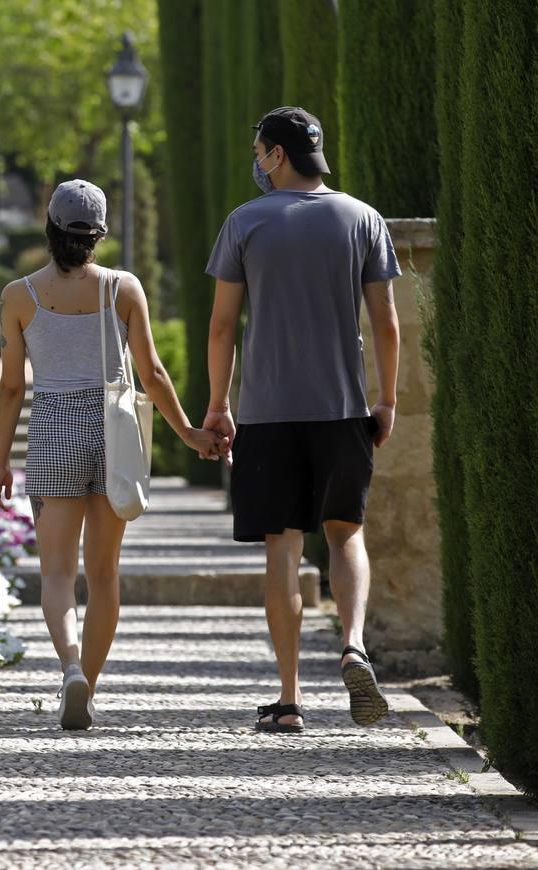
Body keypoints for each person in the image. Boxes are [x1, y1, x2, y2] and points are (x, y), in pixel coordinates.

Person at [0, 179, 224, 730]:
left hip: (53, 432)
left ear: (49, 228)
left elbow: (10, 388)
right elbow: (153, 373)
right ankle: (88, 690)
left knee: (55, 575)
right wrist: (189, 434)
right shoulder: (124, 289)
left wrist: (2, 459)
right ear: (99, 236)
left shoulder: (18, 296)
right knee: (104, 574)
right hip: (113, 432)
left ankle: (69, 667)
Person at [203, 107, 401, 734]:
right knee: (345, 534)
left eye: (261, 150)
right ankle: (353, 645)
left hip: (268, 414)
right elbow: (388, 323)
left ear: (278, 155)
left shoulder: (245, 222)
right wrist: (387, 400)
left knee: (283, 551)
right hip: (342, 408)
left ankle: (289, 701)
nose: (258, 161)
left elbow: (222, 326)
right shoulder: (362, 218)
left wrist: (217, 403)